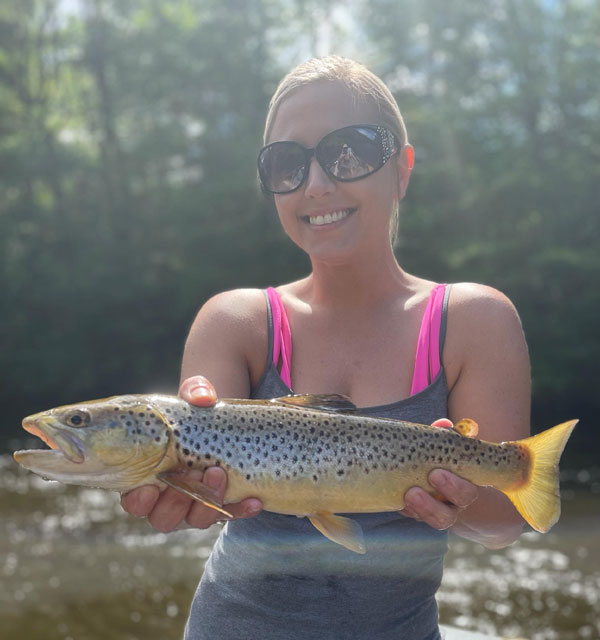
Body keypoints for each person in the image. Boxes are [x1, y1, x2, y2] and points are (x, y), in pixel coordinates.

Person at [121, 56, 530, 639]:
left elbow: (507, 520)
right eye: (287, 163)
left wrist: (461, 502)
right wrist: (172, 492)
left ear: (402, 170)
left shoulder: (475, 320)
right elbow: (193, 490)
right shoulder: (235, 320)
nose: (316, 184)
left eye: (350, 151)